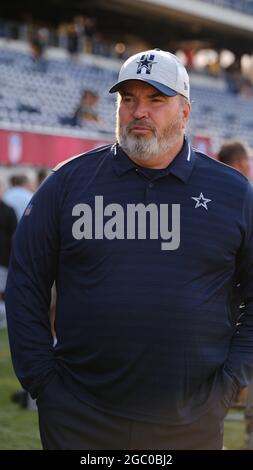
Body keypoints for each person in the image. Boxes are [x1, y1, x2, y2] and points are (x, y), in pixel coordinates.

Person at [5, 49, 253, 450]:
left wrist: (228, 384)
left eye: (156, 99)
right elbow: (25, 286)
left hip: (190, 418)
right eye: (129, 99)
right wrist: (43, 383)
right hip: (79, 419)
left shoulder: (233, 193)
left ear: (185, 112)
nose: (140, 111)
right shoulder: (67, 184)